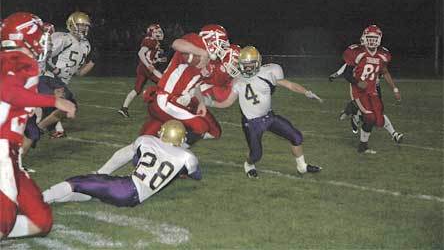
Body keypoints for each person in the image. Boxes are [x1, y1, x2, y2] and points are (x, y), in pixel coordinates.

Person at [0, 12, 76, 239]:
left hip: (11, 152)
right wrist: (53, 101)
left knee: (40, 221)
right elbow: (8, 91)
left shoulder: (11, 60)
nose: (44, 40)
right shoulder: (18, 60)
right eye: (40, 34)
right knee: (3, 220)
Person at [210, 46, 322, 178]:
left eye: (250, 65)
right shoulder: (237, 81)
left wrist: (306, 92)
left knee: (296, 136)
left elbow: (289, 84)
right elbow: (227, 102)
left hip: (269, 117)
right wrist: (209, 103)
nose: (247, 69)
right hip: (251, 123)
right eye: (244, 66)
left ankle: (302, 166)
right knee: (256, 155)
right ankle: (249, 165)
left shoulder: (267, 74)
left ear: (258, 63)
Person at [42, 120, 201, 207]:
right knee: (91, 191)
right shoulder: (187, 157)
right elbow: (196, 175)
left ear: (163, 132)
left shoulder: (147, 140)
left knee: (76, 181)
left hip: (127, 188)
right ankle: (53, 200)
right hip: (135, 197)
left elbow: (131, 158)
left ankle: (38, 200)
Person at [140, 24, 230, 144]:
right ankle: (169, 153)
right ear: (210, 38)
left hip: (174, 103)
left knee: (143, 141)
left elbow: (196, 84)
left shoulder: (209, 61)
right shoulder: (196, 41)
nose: (223, 47)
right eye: (221, 42)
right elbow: (176, 43)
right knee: (200, 126)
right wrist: (203, 52)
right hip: (165, 99)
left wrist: (202, 102)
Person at [341, 25, 401, 154]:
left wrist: (394, 89)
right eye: (370, 38)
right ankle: (362, 146)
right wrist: (357, 82)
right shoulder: (357, 52)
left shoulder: (382, 54)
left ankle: (352, 111)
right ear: (364, 38)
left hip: (372, 90)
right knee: (369, 117)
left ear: (379, 39)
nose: (372, 41)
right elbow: (346, 73)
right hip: (358, 91)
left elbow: (384, 71)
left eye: (375, 38)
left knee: (378, 121)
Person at [37, 11, 95, 138]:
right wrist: (54, 69)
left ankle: (43, 128)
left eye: (86, 26)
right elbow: (44, 56)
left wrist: (93, 63)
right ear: (72, 24)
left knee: (61, 106)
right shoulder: (63, 38)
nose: (83, 28)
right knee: (63, 104)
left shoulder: (86, 45)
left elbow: (79, 72)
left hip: (62, 81)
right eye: (80, 25)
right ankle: (43, 128)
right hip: (49, 77)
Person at [329, 62, 403, 143]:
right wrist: (336, 74)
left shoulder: (379, 53)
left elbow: (384, 71)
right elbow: (348, 64)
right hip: (359, 87)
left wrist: (395, 89)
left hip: (374, 87)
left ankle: (394, 134)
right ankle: (354, 114)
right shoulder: (359, 53)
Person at [118, 24, 167, 118]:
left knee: (137, 89)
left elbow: (149, 56)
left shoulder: (154, 41)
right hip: (146, 68)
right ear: (151, 32)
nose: (159, 33)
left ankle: (124, 108)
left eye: (159, 31)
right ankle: (159, 106)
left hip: (142, 67)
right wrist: (149, 65)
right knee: (164, 83)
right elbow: (140, 53)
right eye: (156, 32)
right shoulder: (150, 41)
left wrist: (158, 60)